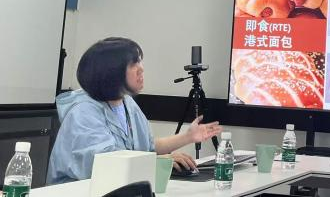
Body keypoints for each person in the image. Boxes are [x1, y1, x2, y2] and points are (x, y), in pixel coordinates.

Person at [47, 37, 222, 184]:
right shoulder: (82, 112)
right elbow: (105, 164)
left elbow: (146, 147)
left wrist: (189, 136)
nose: (141, 68)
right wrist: (157, 162)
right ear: (111, 72)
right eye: (133, 63)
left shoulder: (127, 103)